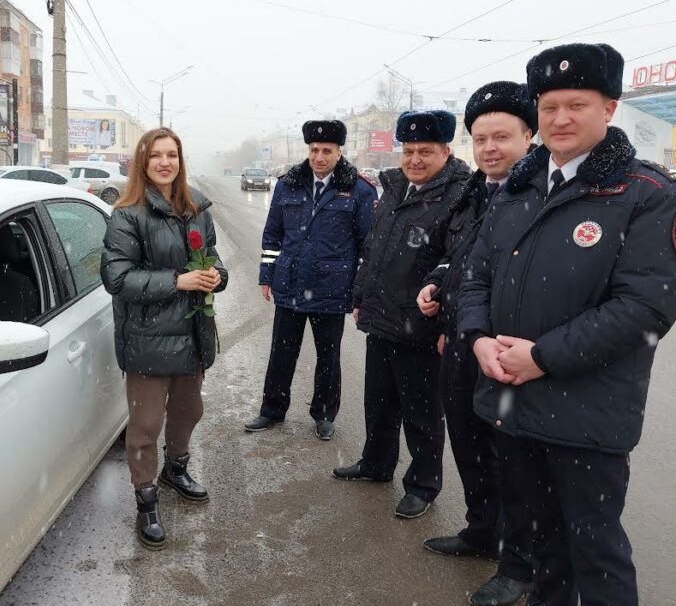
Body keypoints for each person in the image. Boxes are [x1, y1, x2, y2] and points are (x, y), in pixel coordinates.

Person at [458, 43, 676, 606]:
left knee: (597, 551)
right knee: (540, 535)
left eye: (577, 104)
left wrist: (541, 358)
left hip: (587, 409)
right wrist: (479, 338)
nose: (560, 118)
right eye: (549, 105)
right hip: (512, 400)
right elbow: (477, 274)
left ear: (610, 107)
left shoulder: (647, 196)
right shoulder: (517, 188)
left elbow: (644, 308)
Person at [415, 82, 536, 606]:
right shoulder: (476, 192)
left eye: (502, 137)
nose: (490, 148)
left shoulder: (537, 195)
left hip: (507, 347)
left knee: (510, 456)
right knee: (466, 439)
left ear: (528, 136)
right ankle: (481, 531)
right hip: (463, 336)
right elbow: (460, 255)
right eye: (481, 138)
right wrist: (438, 286)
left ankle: (518, 562)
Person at [333, 110, 469, 520]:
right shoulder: (392, 188)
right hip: (382, 318)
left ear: (446, 152)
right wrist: (360, 296)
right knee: (379, 402)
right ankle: (376, 463)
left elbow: (458, 261)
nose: (414, 159)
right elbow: (373, 250)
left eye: (425, 152)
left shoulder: (459, 195)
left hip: (422, 327)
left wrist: (445, 318)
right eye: (408, 151)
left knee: (422, 413)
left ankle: (423, 485)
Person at [100, 127, 228, 550]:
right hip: (149, 338)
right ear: (143, 161)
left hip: (192, 335)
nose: (165, 162)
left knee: (189, 411)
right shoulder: (127, 215)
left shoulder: (197, 211)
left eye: (171, 154)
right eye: (156, 155)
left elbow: (214, 261)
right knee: (145, 425)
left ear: (180, 161)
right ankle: (146, 498)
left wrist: (215, 277)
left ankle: (176, 468)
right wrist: (180, 280)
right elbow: (117, 279)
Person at [244, 120, 376, 440]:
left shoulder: (359, 190)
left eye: (326, 151)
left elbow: (367, 246)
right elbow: (273, 234)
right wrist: (267, 275)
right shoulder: (288, 184)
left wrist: (359, 291)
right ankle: (272, 409)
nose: (319, 157)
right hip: (289, 283)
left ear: (338, 151)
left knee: (328, 357)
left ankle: (325, 414)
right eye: (314, 150)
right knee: (281, 352)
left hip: (332, 288)